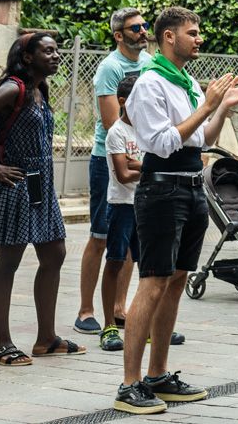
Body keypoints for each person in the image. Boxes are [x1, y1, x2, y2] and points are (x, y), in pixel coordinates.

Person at [115, 7, 238, 414]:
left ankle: (158, 374)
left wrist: (222, 105)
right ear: (168, 37)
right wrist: (206, 106)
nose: (199, 38)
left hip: (191, 187)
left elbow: (201, 139)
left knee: (176, 280)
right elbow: (160, 142)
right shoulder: (150, 83)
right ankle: (129, 384)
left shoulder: (185, 80)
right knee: (153, 281)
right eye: (192, 32)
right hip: (161, 189)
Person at [0, 31, 82, 366]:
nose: (55, 56)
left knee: (54, 251)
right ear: (28, 57)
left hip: (40, 184)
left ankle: (47, 339)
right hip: (13, 182)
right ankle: (2, 344)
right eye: (47, 51)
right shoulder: (15, 88)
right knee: (8, 260)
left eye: (57, 50)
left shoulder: (40, 89)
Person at [75, 7, 148, 336]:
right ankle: (86, 309)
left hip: (141, 155)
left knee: (130, 237)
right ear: (119, 35)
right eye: (136, 28)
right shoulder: (109, 68)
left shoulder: (148, 64)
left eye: (145, 25)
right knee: (101, 235)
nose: (143, 31)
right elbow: (111, 122)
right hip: (110, 158)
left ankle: (119, 308)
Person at [100, 75, 144, 353]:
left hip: (144, 205)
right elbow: (123, 174)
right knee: (115, 262)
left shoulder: (148, 129)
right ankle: (108, 325)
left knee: (149, 266)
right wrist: (146, 166)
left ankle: (143, 323)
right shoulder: (117, 132)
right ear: (123, 102)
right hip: (121, 205)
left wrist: (139, 164)